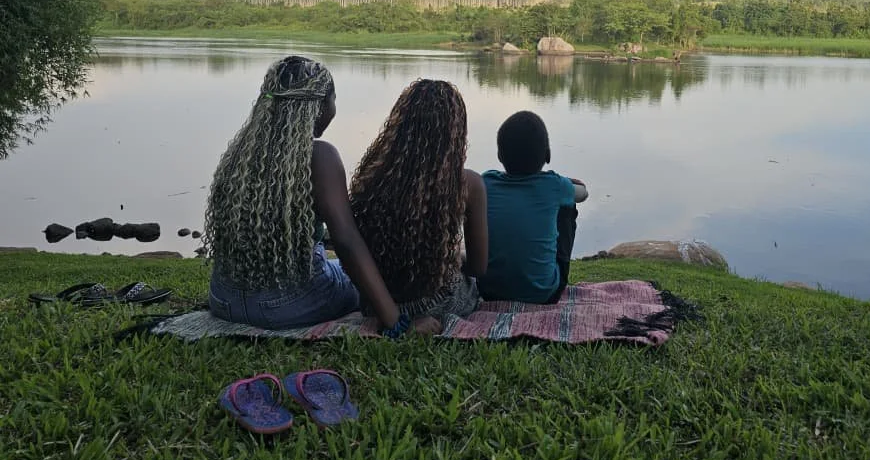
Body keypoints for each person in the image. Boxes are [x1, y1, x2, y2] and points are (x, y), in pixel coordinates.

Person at [203, 55, 437, 338]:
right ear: (318, 105)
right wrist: (396, 321)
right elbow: (346, 240)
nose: (334, 109)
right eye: (333, 99)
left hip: (224, 301)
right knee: (369, 280)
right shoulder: (319, 156)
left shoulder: (240, 152)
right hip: (284, 306)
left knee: (335, 267)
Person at [350, 79, 488, 320]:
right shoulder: (468, 184)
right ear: (455, 131)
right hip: (434, 305)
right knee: (469, 285)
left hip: (375, 304)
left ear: (399, 124)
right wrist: (453, 259)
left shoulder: (372, 178)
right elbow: (478, 267)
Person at [477, 110, 588, 304]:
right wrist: (564, 182)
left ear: (499, 155)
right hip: (544, 295)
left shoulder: (485, 183)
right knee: (567, 207)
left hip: (488, 291)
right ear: (547, 155)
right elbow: (583, 193)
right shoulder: (554, 185)